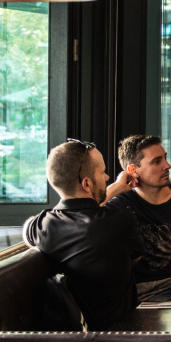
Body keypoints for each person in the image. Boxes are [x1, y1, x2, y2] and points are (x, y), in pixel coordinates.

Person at [22, 139, 143, 329]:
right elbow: (136, 258)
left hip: (71, 337)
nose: (107, 177)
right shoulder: (121, 219)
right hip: (122, 337)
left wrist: (114, 188)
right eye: (102, 172)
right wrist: (116, 189)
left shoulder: (43, 225)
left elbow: (28, 228)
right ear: (86, 183)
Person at [105, 134, 171, 302]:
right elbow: (81, 214)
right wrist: (116, 187)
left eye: (165, 158)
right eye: (157, 161)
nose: (167, 165)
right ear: (133, 170)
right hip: (151, 295)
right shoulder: (120, 205)